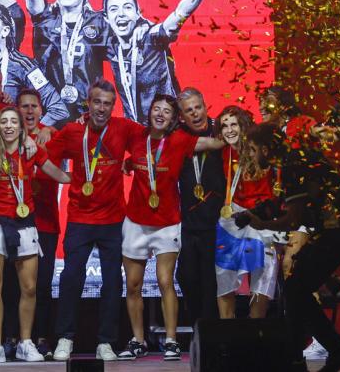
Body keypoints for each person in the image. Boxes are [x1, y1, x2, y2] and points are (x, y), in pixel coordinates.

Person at [236, 123, 340, 372]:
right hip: (334, 231)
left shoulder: (292, 166)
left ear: (265, 149)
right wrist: (255, 212)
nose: (252, 156)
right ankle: (316, 354)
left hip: (337, 231)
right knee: (295, 288)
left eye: (253, 149)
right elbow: (283, 203)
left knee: (296, 288)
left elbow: (293, 219)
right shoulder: (294, 159)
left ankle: (327, 352)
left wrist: (262, 223)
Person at [116, 94, 222, 362]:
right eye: (156, 109)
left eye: (166, 111)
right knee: (133, 285)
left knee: (165, 281)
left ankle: (172, 341)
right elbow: (108, 129)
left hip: (167, 223)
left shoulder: (179, 140)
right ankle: (138, 340)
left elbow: (213, 142)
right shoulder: (135, 135)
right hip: (136, 222)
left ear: (174, 118)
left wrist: (239, 130)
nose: (160, 114)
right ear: (149, 111)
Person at [46, 80, 144, 362]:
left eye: (107, 104)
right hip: (80, 217)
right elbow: (44, 156)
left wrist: (131, 161)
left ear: (113, 106)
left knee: (112, 282)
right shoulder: (73, 131)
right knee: (70, 278)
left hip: (113, 219)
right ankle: (65, 338)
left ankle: (106, 342)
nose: (102, 108)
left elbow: (151, 138)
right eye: (97, 102)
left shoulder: (123, 128)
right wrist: (63, 177)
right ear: (88, 104)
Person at [0, 107, 71, 363]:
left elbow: (55, 172)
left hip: (24, 222)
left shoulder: (31, 150)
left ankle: (25, 343)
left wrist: (79, 180)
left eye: (13, 122)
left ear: (21, 127)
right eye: (4, 122)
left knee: (29, 287)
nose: (8, 126)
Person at [102, 0, 214, 123]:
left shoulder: (152, 38)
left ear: (137, 13)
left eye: (127, 7)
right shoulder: (109, 47)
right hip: (136, 131)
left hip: (169, 127)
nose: (121, 14)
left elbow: (180, 14)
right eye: (114, 9)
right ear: (106, 18)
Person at [0, 3, 70, 128]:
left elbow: (59, 109)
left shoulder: (23, 66)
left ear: (5, 31)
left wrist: (31, 133)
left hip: (8, 136)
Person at [213, 106, 277, 319]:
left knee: (263, 272)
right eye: (224, 126)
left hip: (260, 217)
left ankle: (256, 328)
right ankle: (227, 330)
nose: (229, 130)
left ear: (244, 126)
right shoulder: (224, 151)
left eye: (234, 124)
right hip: (233, 217)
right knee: (224, 274)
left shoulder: (260, 149)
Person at [174, 87, 224, 323]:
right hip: (189, 222)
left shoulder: (221, 131)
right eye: (189, 110)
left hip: (218, 221)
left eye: (198, 107)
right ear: (182, 116)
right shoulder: (178, 136)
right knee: (186, 276)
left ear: (205, 107)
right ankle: (199, 325)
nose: (195, 113)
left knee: (211, 280)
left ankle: (211, 331)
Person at [17, 89, 60, 357]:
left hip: (45, 223)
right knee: (16, 285)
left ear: (42, 110)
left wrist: (51, 129)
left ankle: (43, 338)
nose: (30, 111)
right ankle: (14, 338)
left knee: (42, 285)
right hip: (16, 222)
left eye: (34, 106)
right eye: (24, 106)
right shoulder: (8, 136)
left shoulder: (52, 137)